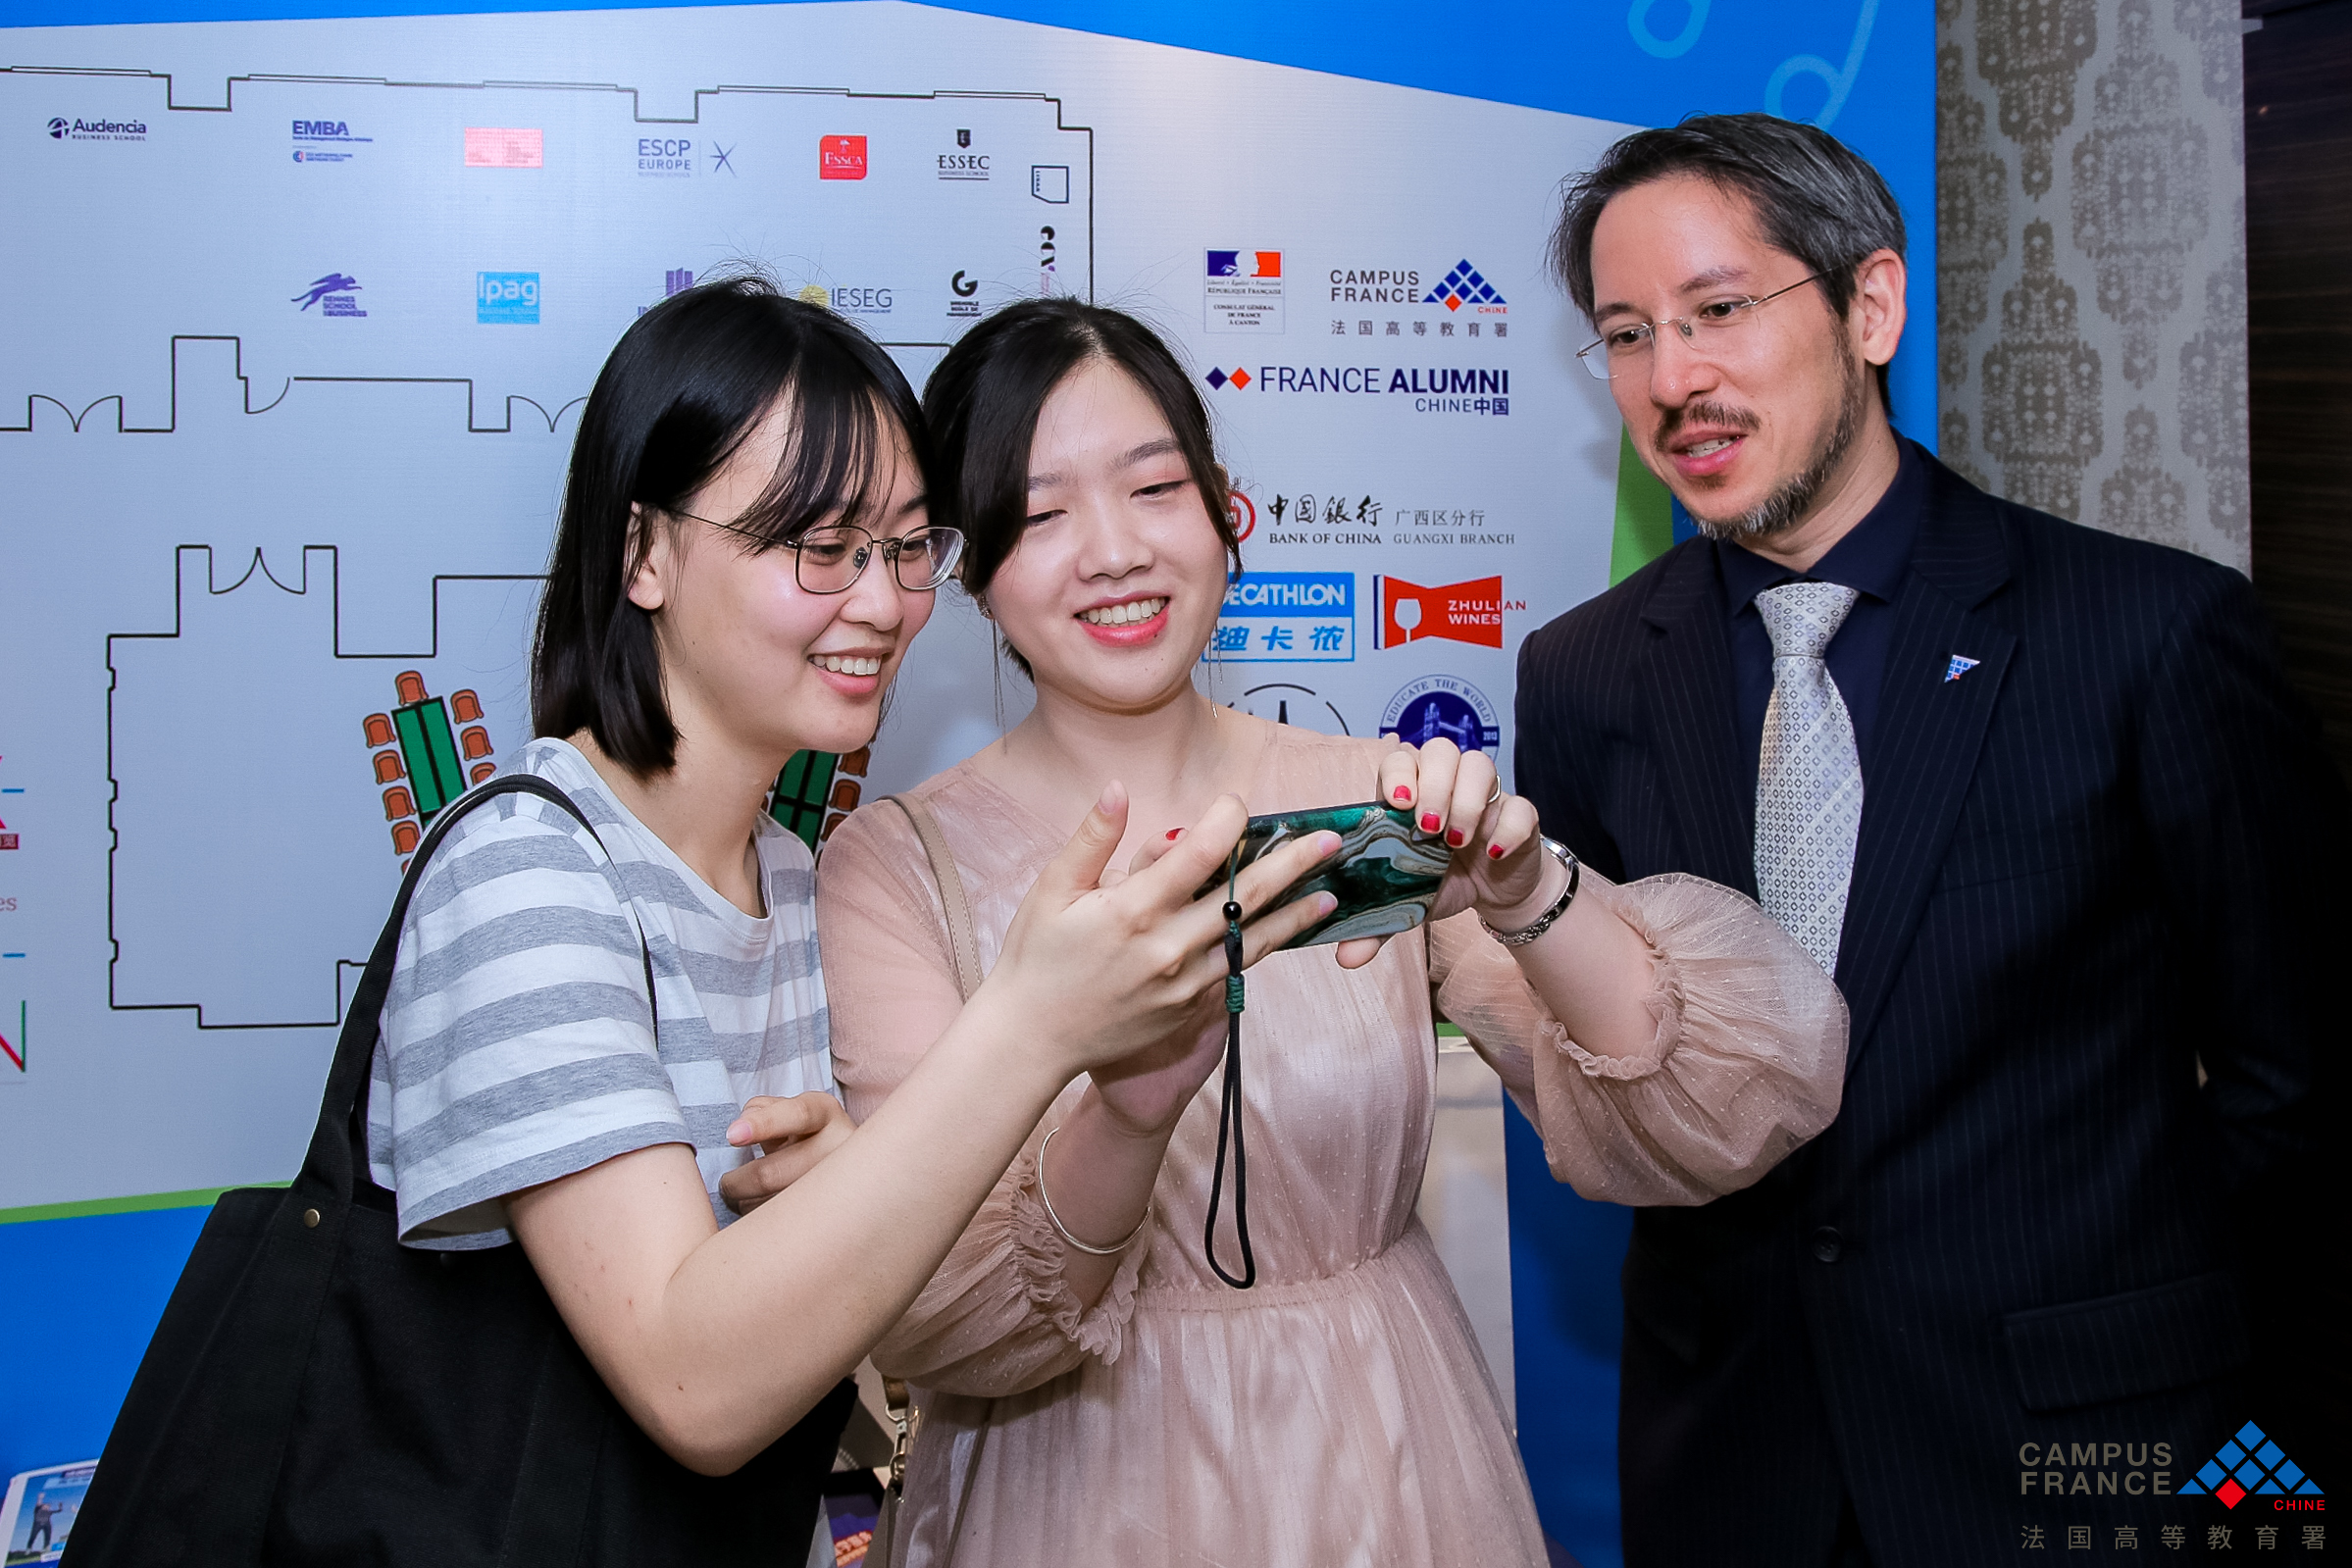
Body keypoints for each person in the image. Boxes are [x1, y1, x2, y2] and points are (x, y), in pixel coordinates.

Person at [742, 298, 1847, 1565]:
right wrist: (1128, 1112)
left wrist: (1524, 889)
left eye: (1155, 488)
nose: (1114, 552)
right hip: (1070, 1497)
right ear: (971, 569)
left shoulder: (1377, 801)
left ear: (1225, 513)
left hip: (1390, 1467)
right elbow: (940, 1316)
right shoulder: (898, 867)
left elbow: (1707, 1113)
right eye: (1041, 515)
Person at [361, 278, 1343, 1557]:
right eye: (821, 549)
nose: (881, 605)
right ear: (643, 551)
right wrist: (1036, 1025)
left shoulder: (784, 870)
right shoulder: (529, 873)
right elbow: (695, 1385)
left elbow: (839, 1300)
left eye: (905, 548)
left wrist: (847, 1179)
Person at [1518, 113, 2347, 1567]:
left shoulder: (2146, 634)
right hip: (1732, 1458)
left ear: (1872, 306)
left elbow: (2299, 1078)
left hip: (2082, 1449)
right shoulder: (1584, 676)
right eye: (1628, 334)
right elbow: (1605, 1065)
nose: (1673, 379)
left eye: (1718, 311)